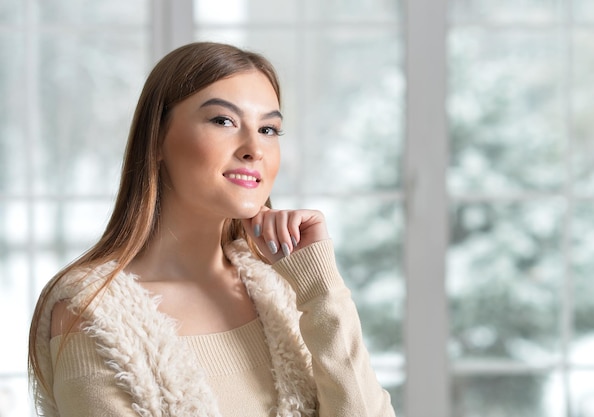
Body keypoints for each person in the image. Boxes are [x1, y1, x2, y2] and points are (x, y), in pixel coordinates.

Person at [28, 41, 396, 417]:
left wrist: (321, 289)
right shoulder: (94, 311)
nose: (255, 148)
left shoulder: (282, 293)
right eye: (223, 121)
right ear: (156, 138)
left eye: (269, 129)